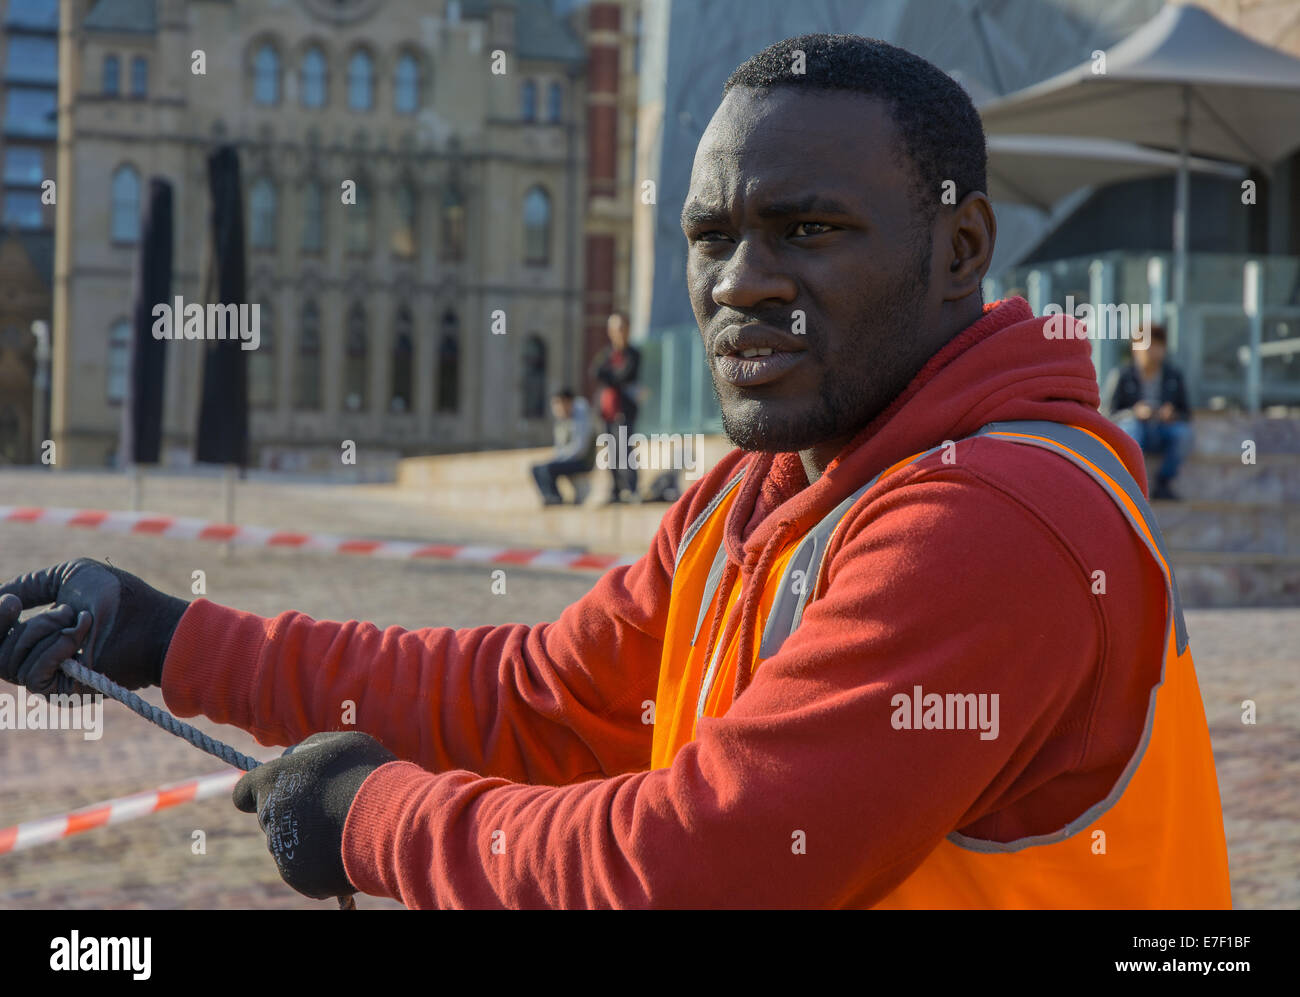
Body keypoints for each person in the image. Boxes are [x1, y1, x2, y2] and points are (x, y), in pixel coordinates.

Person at [0, 34, 1230, 909]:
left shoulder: (998, 517)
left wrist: (373, 817)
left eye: (809, 229)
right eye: (711, 235)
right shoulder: (766, 488)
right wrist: (176, 641)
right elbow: (540, 699)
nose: (740, 280)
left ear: (960, 248)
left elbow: (705, 868)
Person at [1101, 323, 1193, 500]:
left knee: (1184, 434)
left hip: (1162, 430)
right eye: (1146, 345)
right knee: (1132, 428)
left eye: (1156, 345)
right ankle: (1132, 484)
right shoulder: (1121, 375)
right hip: (1136, 430)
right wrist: (1133, 413)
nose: (1151, 351)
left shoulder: (1174, 376)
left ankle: (1163, 483)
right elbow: (1107, 415)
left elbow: (1186, 414)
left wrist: (1172, 415)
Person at [588, 311, 640, 503]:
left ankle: (632, 488)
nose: (618, 333)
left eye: (621, 328)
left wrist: (609, 375)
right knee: (611, 452)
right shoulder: (607, 354)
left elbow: (624, 376)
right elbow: (595, 371)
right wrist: (612, 376)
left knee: (625, 451)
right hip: (606, 412)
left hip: (624, 411)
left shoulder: (633, 354)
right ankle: (616, 490)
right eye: (614, 329)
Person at [530, 388, 596, 506]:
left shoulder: (581, 419)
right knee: (537, 469)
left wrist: (559, 460)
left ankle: (555, 499)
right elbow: (559, 447)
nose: (556, 408)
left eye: (559, 403)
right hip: (567, 459)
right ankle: (551, 498)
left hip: (583, 461)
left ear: (568, 402)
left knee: (549, 468)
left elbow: (580, 449)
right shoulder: (561, 422)